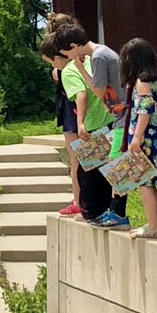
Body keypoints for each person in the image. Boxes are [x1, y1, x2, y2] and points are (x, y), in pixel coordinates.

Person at [59, 23, 131, 229]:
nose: (69, 58)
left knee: (116, 163)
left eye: (68, 53)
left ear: (74, 45)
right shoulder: (103, 52)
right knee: (114, 161)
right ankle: (116, 211)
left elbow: (98, 91)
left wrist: (80, 67)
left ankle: (118, 213)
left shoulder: (98, 56)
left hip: (120, 115)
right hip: (118, 114)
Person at [38, 28, 113, 221]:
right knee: (106, 170)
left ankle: (89, 212)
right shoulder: (88, 60)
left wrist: (80, 123)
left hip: (92, 124)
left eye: (52, 62)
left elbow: (81, 96)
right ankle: (109, 211)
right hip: (109, 119)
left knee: (88, 172)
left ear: (60, 56)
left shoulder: (70, 71)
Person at [119, 37, 157, 239]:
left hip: (146, 138)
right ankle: (153, 224)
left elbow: (144, 111)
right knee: (148, 181)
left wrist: (137, 138)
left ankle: (153, 226)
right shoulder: (156, 80)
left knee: (145, 182)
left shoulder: (141, 82)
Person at [44, 12, 84, 215]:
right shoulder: (81, 55)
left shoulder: (64, 64)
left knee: (76, 158)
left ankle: (79, 199)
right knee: (91, 156)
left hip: (72, 111)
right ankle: (84, 198)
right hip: (83, 111)